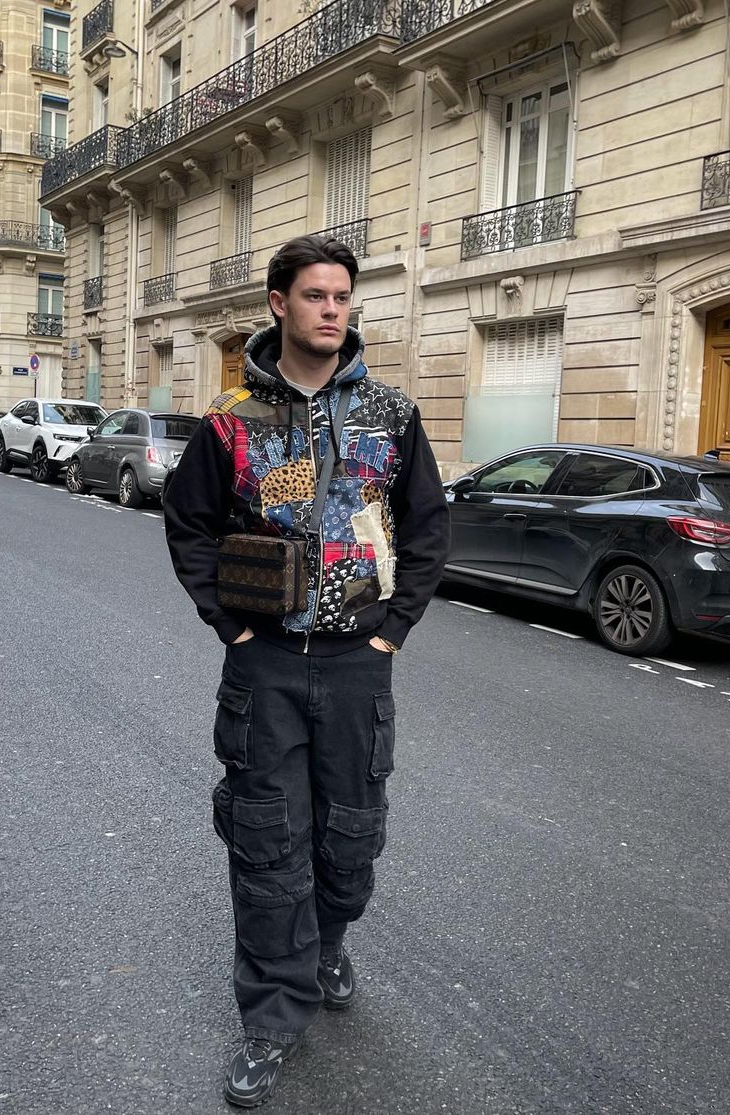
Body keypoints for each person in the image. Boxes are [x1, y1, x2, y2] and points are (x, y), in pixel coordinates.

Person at [164, 233, 449, 1108]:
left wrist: (392, 633)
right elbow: (189, 524)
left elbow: (428, 527)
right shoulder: (230, 419)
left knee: (351, 835)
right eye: (316, 295)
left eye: (342, 296)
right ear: (279, 304)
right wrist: (231, 627)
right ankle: (271, 1014)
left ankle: (328, 940)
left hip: (360, 664)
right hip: (268, 667)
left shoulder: (393, 415)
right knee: (266, 841)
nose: (332, 309)